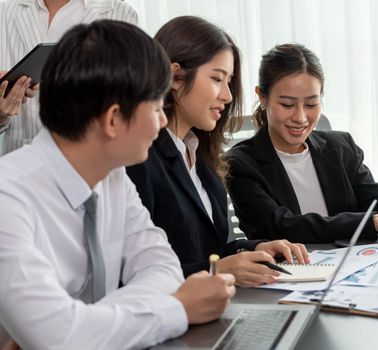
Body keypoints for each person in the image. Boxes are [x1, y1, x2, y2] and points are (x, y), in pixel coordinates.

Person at [0, 20, 235, 349]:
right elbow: (59, 337)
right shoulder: (7, 196)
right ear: (112, 119)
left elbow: (162, 266)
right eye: (155, 108)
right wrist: (177, 308)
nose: (164, 120)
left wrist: (83, 324)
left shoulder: (113, 178)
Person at [126, 16, 309, 288]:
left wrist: (255, 248)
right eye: (217, 79)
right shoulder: (138, 158)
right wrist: (217, 271)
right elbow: (131, 277)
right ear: (175, 76)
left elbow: (206, 250)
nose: (228, 95)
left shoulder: (199, 155)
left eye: (229, 82)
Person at [225, 43, 378, 244]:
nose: (301, 117)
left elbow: (377, 203)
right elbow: (279, 227)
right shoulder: (240, 163)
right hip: (291, 271)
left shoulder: (341, 147)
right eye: (287, 105)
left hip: (355, 266)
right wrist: (368, 222)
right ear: (262, 97)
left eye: (311, 104)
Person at [0, 0, 138, 154]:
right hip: (19, 161)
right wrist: (1, 115)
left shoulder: (120, 13)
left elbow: (129, 101)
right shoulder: (4, 12)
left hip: (91, 160)